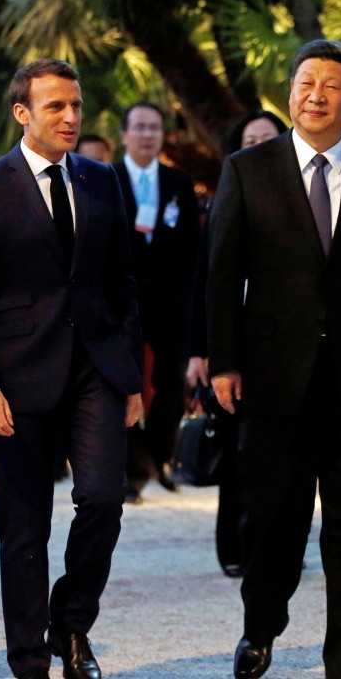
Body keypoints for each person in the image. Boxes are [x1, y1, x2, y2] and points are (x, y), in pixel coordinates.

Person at [207, 40, 341, 679]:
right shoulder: (247, 169)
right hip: (273, 379)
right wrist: (223, 361)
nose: (318, 95)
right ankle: (261, 627)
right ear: (291, 91)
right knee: (273, 520)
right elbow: (221, 275)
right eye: (307, 83)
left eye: (333, 85)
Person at [0, 58, 143, 679]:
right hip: (18, 376)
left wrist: (131, 377)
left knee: (104, 499)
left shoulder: (102, 179)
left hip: (96, 372)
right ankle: (29, 659)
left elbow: (122, 283)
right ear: (22, 113)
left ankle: (72, 624)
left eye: (76, 105)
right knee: (25, 528)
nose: (71, 117)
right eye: (56, 106)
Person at [187, 110, 287, 578]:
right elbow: (205, 282)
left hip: (286, 345)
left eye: (269, 138)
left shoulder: (302, 199)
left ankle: (278, 549)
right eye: (251, 140)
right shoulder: (226, 197)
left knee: (284, 456)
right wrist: (201, 350)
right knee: (237, 453)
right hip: (235, 345)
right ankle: (233, 546)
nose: (260, 147)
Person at [112, 102, 200, 503]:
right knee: (123, 384)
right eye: (140, 127)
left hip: (171, 304)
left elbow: (190, 250)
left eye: (154, 128)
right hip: (121, 302)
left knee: (170, 385)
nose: (147, 135)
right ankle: (130, 470)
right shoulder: (105, 178)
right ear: (124, 134)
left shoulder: (179, 182)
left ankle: (161, 459)